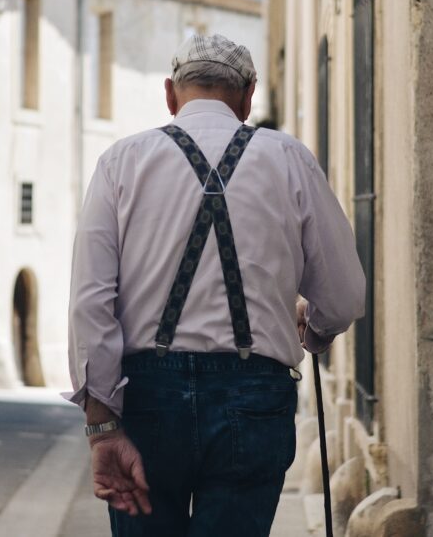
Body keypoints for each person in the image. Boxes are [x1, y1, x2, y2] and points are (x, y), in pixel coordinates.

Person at [65, 33, 365, 536]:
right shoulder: (289, 158)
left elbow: (90, 302)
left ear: (170, 94)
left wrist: (102, 427)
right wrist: (312, 330)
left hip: (148, 399)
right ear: (248, 97)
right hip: (254, 399)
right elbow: (344, 296)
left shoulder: (122, 162)